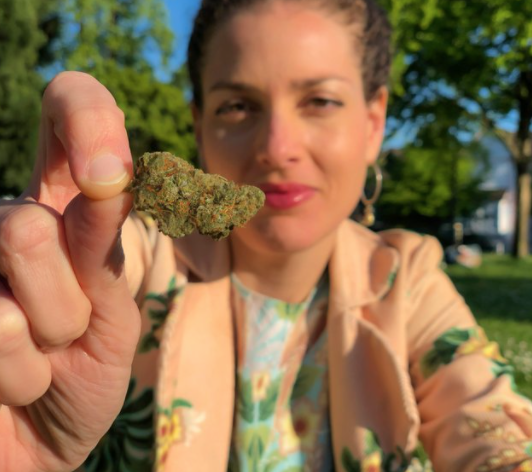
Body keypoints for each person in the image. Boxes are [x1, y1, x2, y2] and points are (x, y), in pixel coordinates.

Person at [0, 0, 531, 471]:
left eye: (320, 100)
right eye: (237, 106)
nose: (277, 148)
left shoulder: (408, 281)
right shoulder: (127, 260)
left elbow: (489, 419)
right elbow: (94, 273)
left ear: (373, 125)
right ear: (200, 126)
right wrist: (57, 257)